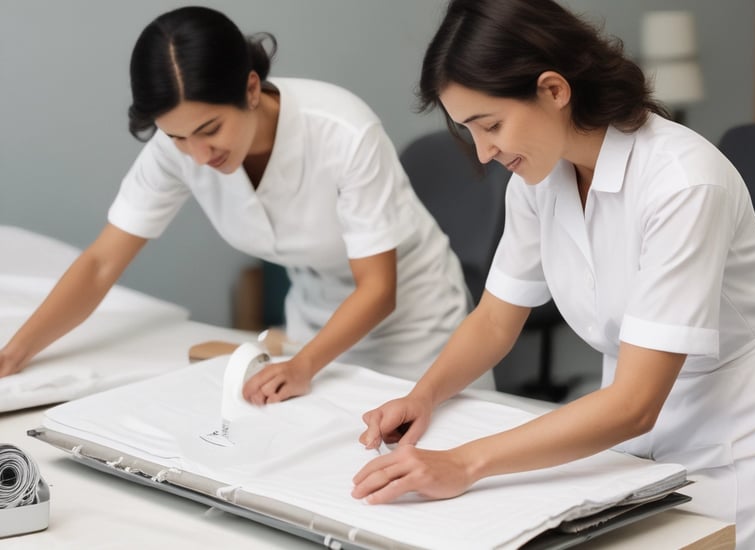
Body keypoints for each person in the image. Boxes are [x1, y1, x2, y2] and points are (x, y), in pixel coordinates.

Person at [351, 0, 755, 546]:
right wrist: (424, 396)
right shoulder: (540, 179)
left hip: (734, 447)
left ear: (553, 89)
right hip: (625, 444)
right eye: (469, 132)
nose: (483, 152)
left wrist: (463, 463)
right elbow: (496, 318)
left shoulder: (683, 183)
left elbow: (636, 403)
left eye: (491, 124)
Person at [0, 6, 495, 397]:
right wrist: (15, 352)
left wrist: (302, 366)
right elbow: (101, 263)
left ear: (251, 88)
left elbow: (378, 289)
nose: (198, 153)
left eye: (210, 129)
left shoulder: (343, 130)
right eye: (177, 138)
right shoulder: (178, 149)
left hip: (418, 329)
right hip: (315, 329)